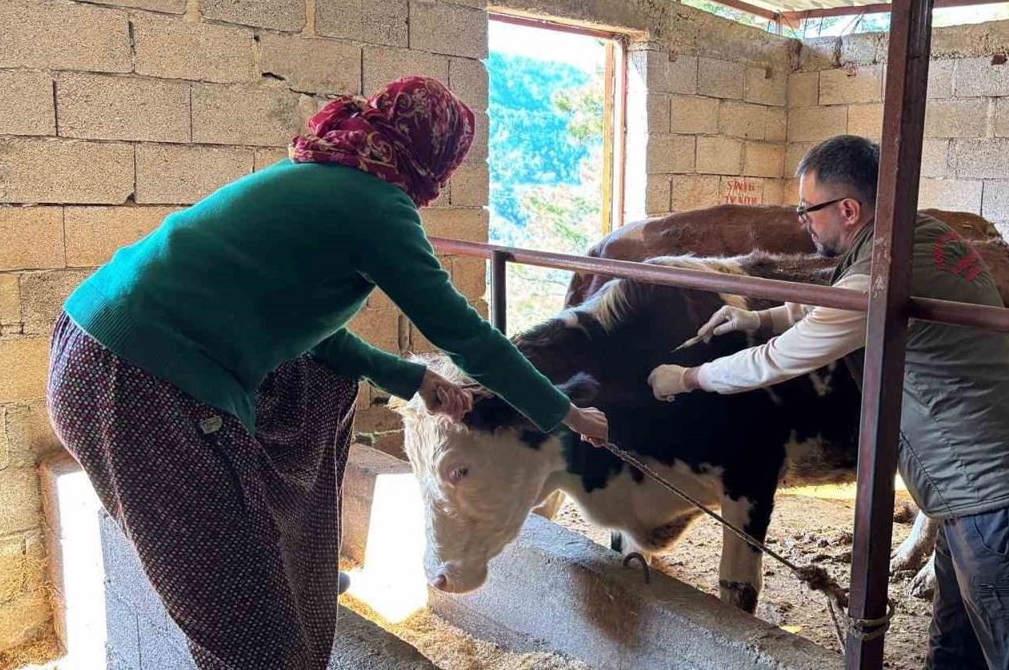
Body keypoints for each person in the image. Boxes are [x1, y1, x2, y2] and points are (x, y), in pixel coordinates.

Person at [46, 77, 609, 670]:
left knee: (320, 385)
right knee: (253, 644)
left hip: (94, 351)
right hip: (139, 384)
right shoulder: (377, 205)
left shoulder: (323, 176)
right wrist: (567, 414)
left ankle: (295, 572)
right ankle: (264, 602)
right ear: (435, 156)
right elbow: (466, 335)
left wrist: (410, 379)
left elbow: (302, 330)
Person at [647, 135, 1009, 670]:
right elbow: (844, 307)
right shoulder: (922, 237)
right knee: (956, 645)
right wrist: (756, 318)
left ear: (848, 209)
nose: (803, 221)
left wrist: (687, 377)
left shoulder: (881, 269)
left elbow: (777, 361)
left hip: (1001, 498)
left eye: (807, 210)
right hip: (989, 489)